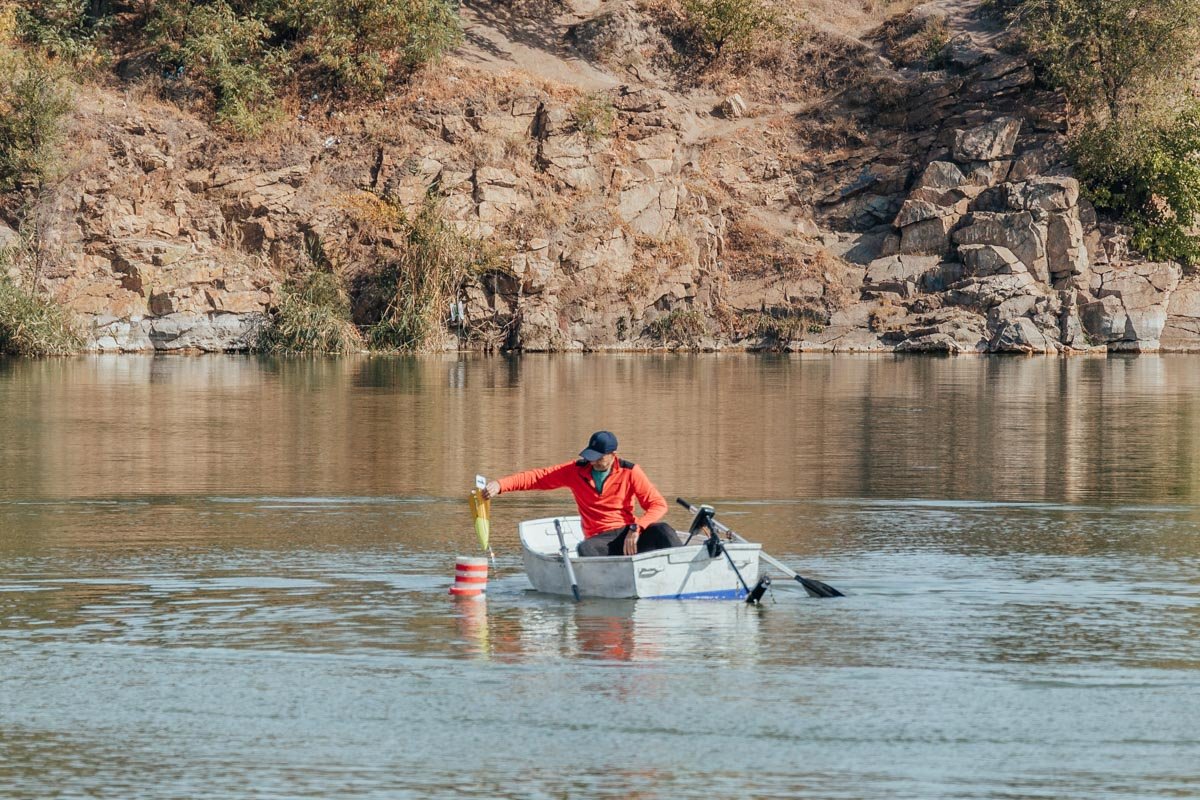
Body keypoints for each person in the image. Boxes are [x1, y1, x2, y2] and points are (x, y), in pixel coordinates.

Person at [482, 431, 682, 557]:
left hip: (628, 532)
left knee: (663, 530)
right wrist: (500, 485)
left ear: (613, 455)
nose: (592, 462)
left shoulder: (631, 471)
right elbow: (538, 477)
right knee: (585, 549)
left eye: (598, 458)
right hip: (599, 538)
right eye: (590, 457)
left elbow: (658, 504)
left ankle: (682, 567)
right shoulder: (576, 471)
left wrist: (636, 528)